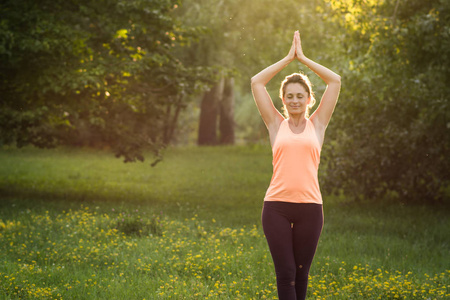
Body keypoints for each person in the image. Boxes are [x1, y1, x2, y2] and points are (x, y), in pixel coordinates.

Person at [251, 30, 341, 300]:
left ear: (309, 99)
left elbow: (335, 80)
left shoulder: (319, 125)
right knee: (287, 273)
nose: (294, 101)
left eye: (300, 96)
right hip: (276, 207)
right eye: (289, 96)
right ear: (283, 99)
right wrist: (288, 59)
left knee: (302, 274)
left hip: (311, 208)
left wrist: (304, 58)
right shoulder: (275, 124)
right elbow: (256, 82)